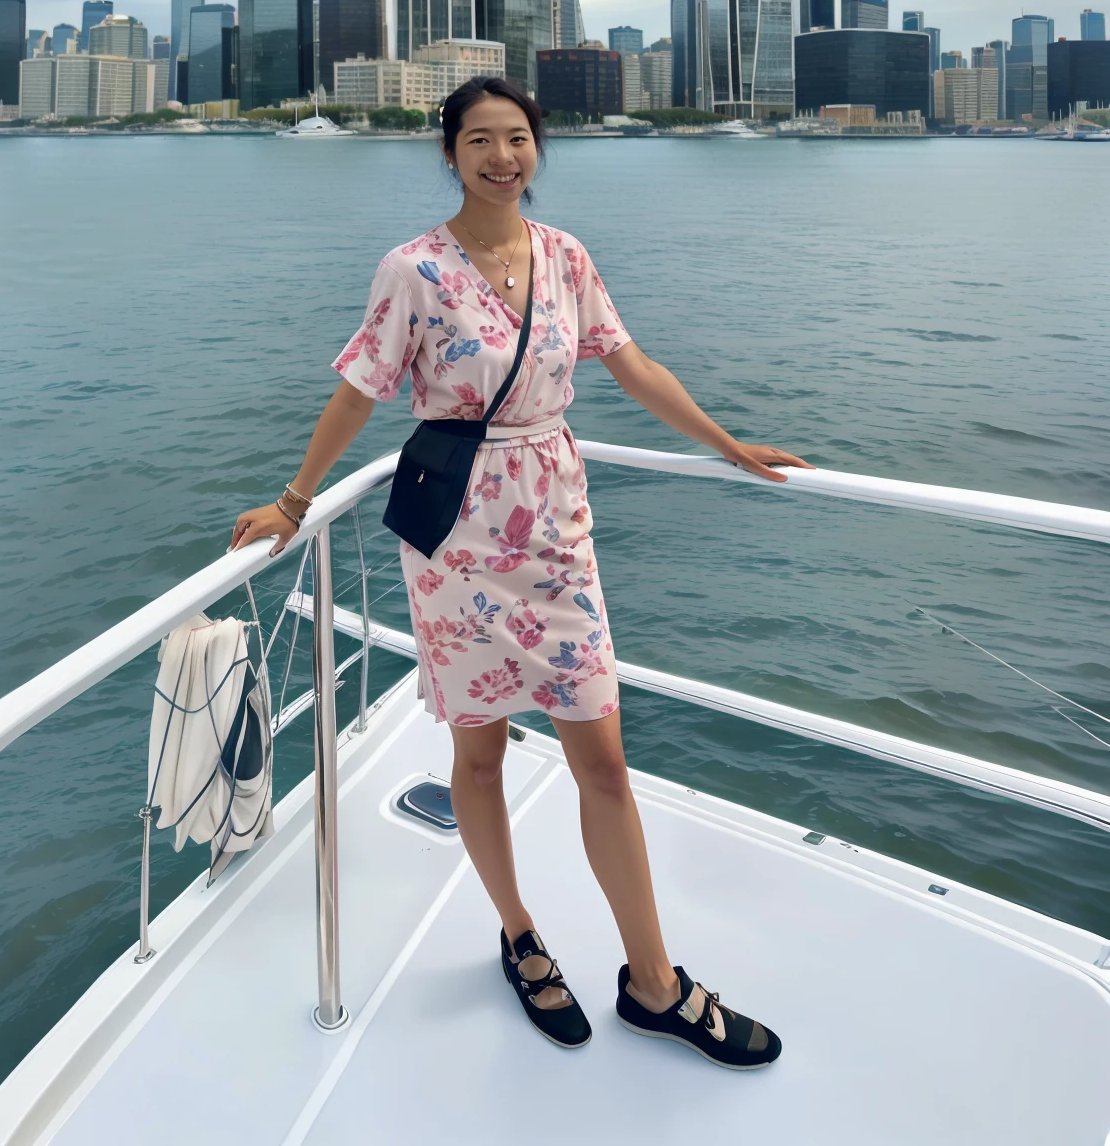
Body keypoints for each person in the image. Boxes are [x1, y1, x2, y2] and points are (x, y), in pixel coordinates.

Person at [230, 75, 811, 1066]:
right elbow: (360, 388)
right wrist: (293, 498)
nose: (503, 156)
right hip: (456, 537)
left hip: (554, 525)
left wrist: (729, 442)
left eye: (518, 138)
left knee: (604, 759)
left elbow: (630, 364)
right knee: (482, 753)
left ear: (537, 148)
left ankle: (655, 982)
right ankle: (518, 931)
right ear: (449, 151)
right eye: (481, 140)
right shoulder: (412, 268)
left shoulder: (566, 255)